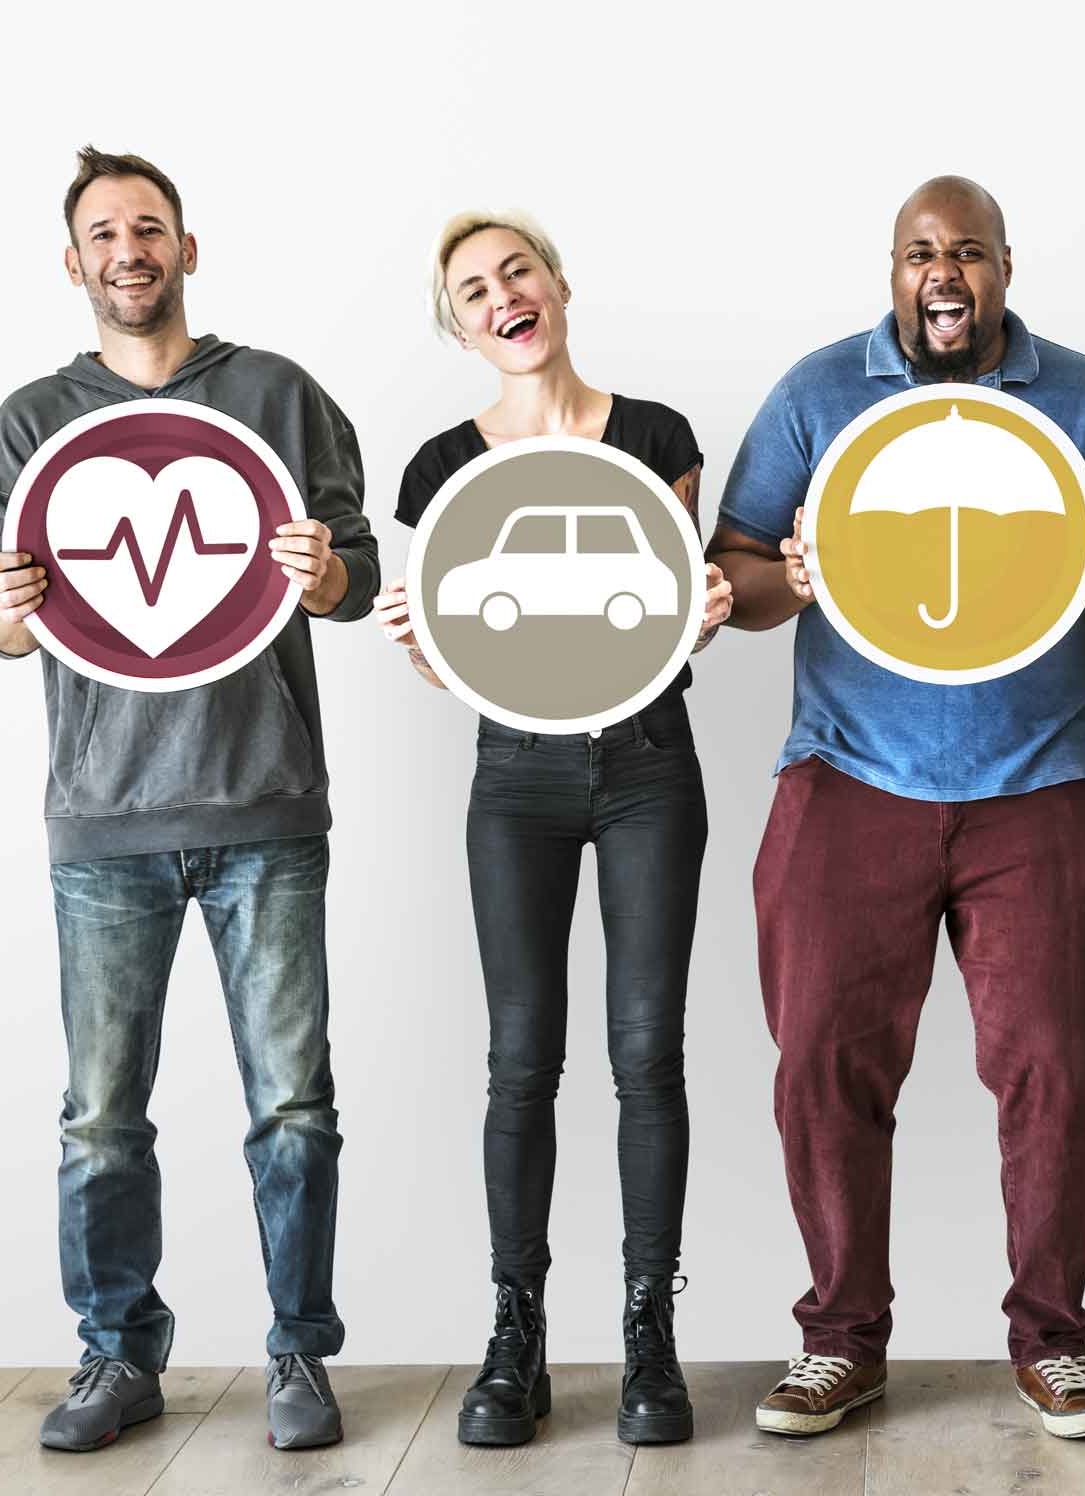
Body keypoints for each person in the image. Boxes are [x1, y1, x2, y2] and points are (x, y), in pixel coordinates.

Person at [706, 175, 1085, 1441]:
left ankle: (1054, 1343)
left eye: (967, 250)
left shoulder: (1080, 397)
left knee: (1062, 1071)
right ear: (894, 270)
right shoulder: (817, 393)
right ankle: (840, 1340)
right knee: (821, 1068)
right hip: (850, 775)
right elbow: (731, 576)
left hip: (1044, 782)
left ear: (1006, 267)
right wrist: (786, 579)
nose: (944, 271)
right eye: (921, 252)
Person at [0, 146, 377, 1453]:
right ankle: (116, 1356)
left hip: (264, 807)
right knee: (101, 1121)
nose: (129, 248)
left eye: (151, 226)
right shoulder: (35, 421)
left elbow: (359, 574)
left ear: (187, 249)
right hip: (104, 820)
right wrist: (5, 607)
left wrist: (326, 579)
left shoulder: (278, 396)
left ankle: (299, 1361)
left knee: (293, 1108)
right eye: (104, 232)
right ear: (73, 263)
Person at [373, 210, 732, 1447]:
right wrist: (423, 650)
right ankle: (514, 1334)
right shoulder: (436, 468)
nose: (501, 295)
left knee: (648, 1052)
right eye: (472, 289)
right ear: (461, 325)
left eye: (515, 269)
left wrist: (710, 611)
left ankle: (648, 1334)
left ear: (558, 285)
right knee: (521, 1056)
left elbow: (682, 610)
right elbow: (462, 655)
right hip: (515, 774)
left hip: (646, 765)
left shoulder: (656, 437)